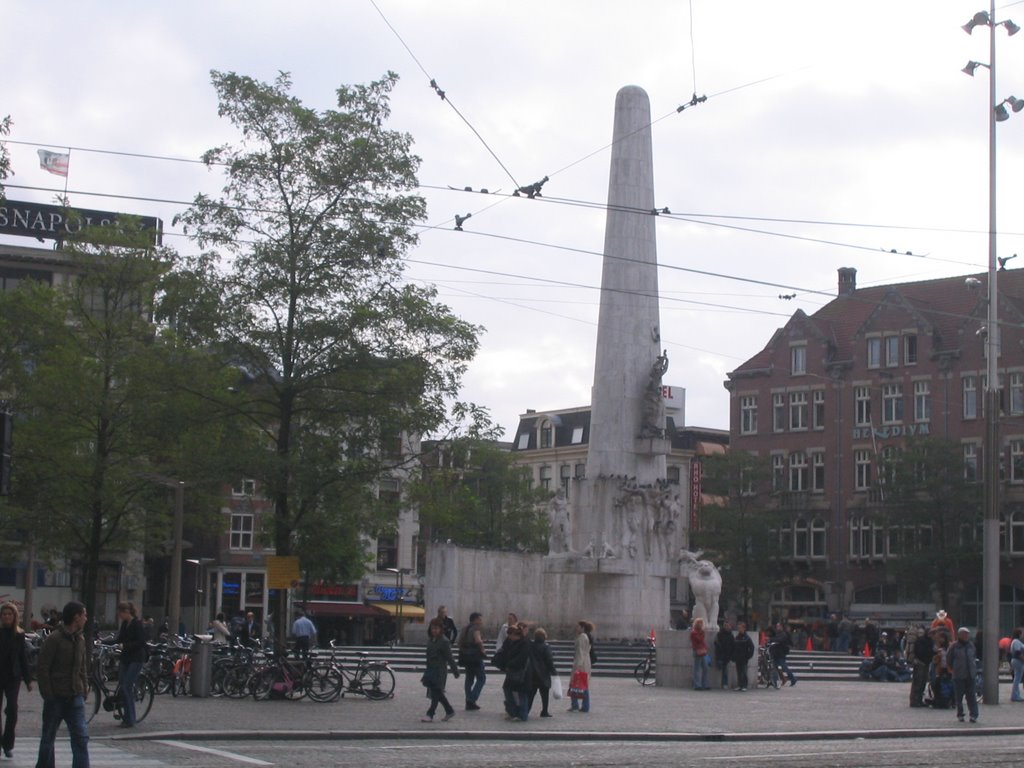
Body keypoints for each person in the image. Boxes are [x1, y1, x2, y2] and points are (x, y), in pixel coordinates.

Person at [35, 600, 90, 768]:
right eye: (84, 615)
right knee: (48, 738)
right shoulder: (55, 639)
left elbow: (82, 667)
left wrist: (84, 687)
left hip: (75, 696)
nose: (86, 618)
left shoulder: (80, 638)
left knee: (81, 738)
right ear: (76, 617)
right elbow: (43, 668)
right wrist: (48, 694)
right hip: (56, 696)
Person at [0, 603, 32, 757]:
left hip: (13, 677)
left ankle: (8, 743)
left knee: (12, 709)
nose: (6, 616)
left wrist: (28, 679)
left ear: (14, 617)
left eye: (9, 614)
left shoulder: (19, 634)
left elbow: (22, 657)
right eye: (4, 614)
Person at [113, 601, 146, 728]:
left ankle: (130, 718)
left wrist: (125, 646)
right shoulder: (125, 624)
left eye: (120, 613)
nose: (119, 616)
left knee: (127, 686)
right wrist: (104, 641)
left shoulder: (137, 624)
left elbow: (141, 642)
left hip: (136, 658)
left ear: (126, 612)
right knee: (122, 686)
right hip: (126, 658)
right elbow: (119, 639)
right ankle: (126, 716)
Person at [420, 618, 459, 723]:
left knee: (436, 693)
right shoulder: (431, 640)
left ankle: (430, 713)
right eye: (433, 628)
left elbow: (450, 658)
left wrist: (455, 671)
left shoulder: (444, 641)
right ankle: (449, 710)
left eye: (436, 628)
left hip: (439, 670)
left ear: (441, 629)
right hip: (431, 669)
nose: (434, 630)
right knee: (437, 693)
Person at [946, 627, 979, 723]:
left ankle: (974, 715)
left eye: (967, 634)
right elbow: (949, 659)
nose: (966, 636)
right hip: (958, 675)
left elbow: (974, 657)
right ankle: (960, 714)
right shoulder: (954, 646)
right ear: (959, 635)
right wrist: (954, 669)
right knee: (959, 697)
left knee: (971, 696)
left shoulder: (971, 646)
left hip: (970, 675)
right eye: (964, 634)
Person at [458, 612, 487, 710]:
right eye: (480, 619)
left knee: (469, 678)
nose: (481, 621)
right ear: (475, 620)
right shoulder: (475, 629)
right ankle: (471, 699)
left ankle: (468, 701)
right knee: (481, 678)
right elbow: (478, 640)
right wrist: (482, 649)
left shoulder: (464, 628)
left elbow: (459, 642)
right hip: (475, 656)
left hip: (465, 656)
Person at [527, 627, 556, 717]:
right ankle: (544, 711)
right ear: (544, 636)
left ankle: (526, 710)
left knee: (531, 694)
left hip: (532, 673)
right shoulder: (545, 647)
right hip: (543, 674)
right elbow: (549, 661)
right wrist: (554, 671)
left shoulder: (530, 645)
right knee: (544, 694)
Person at [567, 620, 593, 713]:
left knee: (576, 683)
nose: (576, 628)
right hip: (585, 662)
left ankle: (577, 705)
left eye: (578, 626)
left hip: (581, 663)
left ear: (582, 628)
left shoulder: (582, 637)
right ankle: (580, 705)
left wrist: (577, 666)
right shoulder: (586, 636)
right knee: (582, 684)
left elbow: (580, 653)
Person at [909, 625, 934, 707]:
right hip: (920, 663)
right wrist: (931, 652)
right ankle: (915, 701)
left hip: (925, 664)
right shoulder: (921, 641)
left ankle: (919, 700)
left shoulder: (930, 641)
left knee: (922, 683)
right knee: (918, 683)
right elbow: (921, 652)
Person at [770, 621, 797, 686]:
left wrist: (772, 640)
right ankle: (774, 681)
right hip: (775, 653)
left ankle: (793, 678)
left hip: (780, 653)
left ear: (781, 627)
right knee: (775, 667)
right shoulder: (778, 634)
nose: (777, 627)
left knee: (784, 667)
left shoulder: (783, 634)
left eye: (778, 626)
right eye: (777, 626)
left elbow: (779, 640)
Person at [732, 621, 755, 692]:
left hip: (744, 658)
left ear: (744, 628)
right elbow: (734, 647)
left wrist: (748, 656)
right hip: (738, 657)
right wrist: (734, 656)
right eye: (738, 628)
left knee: (744, 672)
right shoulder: (737, 637)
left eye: (740, 628)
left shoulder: (747, 638)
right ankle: (740, 685)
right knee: (739, 672)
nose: (739, 629)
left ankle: (744, 685)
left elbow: (752, 647)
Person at [690, 617, 710, 690]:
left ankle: (705, 684)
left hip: (702, 650)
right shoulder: (694, 632)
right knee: (697, 668)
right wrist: (702, 633)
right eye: (700, 623)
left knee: (705, 668)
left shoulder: (700, 632)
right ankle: (697, 685)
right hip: (697, 651)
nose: (702, 625)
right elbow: (699, 640)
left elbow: (702, 641)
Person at [714, 619, 735, 689]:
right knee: (720, 666)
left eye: (727, 625)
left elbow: (733, 645)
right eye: (725, 625)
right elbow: (716, 643)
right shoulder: (720, 634)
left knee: (725, 670)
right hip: (720, 654)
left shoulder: (731, 635)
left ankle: (725, 683)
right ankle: (722, 683)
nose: (726, 627)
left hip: (727, 655)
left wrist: (731, 655)